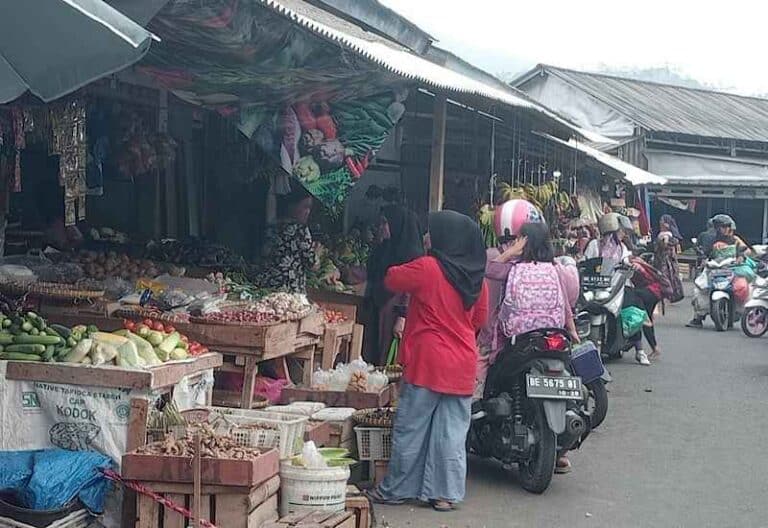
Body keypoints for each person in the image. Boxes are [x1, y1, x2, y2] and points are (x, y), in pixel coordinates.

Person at [368, 210, 489, 512]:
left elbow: (392, 278)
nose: (427, 237)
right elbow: (479, 320)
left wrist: (416, 254)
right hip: (461, 364)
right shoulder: (477, 280)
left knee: (412, 428)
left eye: (432, 233)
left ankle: (396, 489)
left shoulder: (428, 268)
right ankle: (444, 494)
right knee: (452, 433)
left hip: (427, 362)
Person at [493, 221, 579, 473]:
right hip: (555, 338)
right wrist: (572, 331)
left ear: (524, 243)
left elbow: (488, 268)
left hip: (521, 340)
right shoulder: (556, 269)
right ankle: (561, 453)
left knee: (492, 377)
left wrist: (510, 251)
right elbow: (565, 304)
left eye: (520, 240)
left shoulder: (512, 268)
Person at [476, 199, 544, 399]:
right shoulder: (543, 261)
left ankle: (475, 406)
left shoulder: (498, 259)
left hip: (499, 337)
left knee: (479, 360)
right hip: (531, 334)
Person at [365, 204, 424, 365]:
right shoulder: (386, 248)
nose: (381, 228)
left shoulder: (412, 255)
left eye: (385, 223)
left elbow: (411, 290)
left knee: (388, 357)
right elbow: (373, 272)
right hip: (382, 306)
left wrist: (402, 316)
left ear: (397, 224)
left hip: (395, 311)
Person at [688, 214, 753, 328]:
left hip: (730, 269)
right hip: (713, 268)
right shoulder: (710, 239)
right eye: (721, 226)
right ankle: (698, 318)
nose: (723, 229)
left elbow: (744, 251)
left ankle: (738, 312)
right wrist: (704, 259)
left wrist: (741, 257)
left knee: (741, 287)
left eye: (725, 226)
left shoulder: (735, 240)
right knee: (700, 290)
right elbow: (704, 252)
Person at [255, 187, 316, 293]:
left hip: (266, 285)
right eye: (305, 207)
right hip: (289, 289)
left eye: (309, 208)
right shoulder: (301, 230)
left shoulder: (273, 225)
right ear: (292, 206)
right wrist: (318, 253)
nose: (308, 212)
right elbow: (312, 264)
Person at [655, 214, 685, 303]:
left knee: (663, 276)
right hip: (668, 259)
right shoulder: (668, 234)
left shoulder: (666, 234)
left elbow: (665, 244)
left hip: (665, 259)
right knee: (671, 276)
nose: (660, 222)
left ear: (666, 224)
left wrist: (663, 243)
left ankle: (667, 293)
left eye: (662, 220)